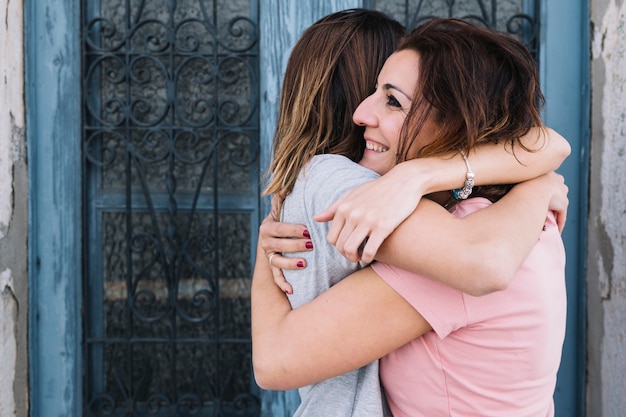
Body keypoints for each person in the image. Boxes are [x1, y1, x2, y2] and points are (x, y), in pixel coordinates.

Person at [253, 17, 567, 417]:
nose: (361, 113)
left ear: (456, 125)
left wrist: (419, 174)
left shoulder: (462, 244)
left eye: (392, 100)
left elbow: (276, 359)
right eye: (372, 91)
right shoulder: (507, 216)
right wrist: (537, 184)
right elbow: (550, 145)